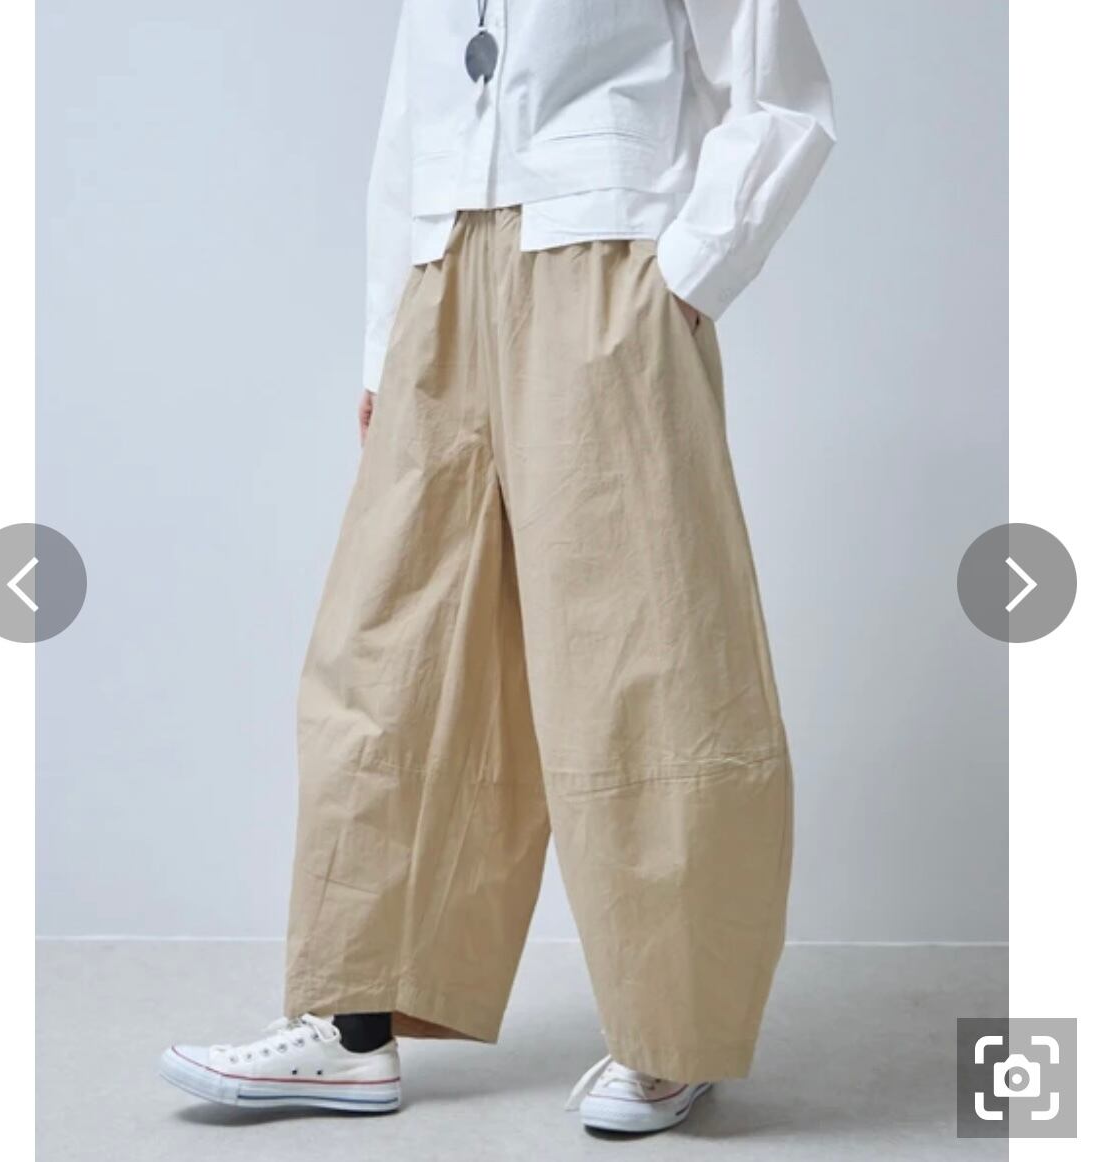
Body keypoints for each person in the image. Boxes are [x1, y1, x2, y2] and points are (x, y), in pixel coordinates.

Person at [159, 0, 834, 1136]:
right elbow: (406, 129)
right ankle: (351, 1030)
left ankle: (669, 1040)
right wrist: (386, 340)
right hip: (441, 285)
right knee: (382, 658)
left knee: (640, 656)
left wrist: (683, 276)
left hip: (604, 272)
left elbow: (781, 95)